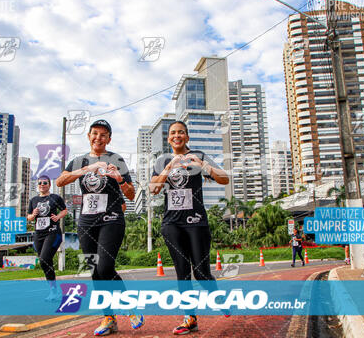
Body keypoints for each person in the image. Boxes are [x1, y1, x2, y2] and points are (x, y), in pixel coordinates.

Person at [56, 119, 144, 336]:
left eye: (103, 134)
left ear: (109, 139)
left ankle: (129, 307)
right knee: (95, 270)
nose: (98, 138)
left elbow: (132, 194)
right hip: (86, 221)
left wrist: (119, 179)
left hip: (111, 219)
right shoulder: (80, 160)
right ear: (89, 136)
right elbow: (60, 181)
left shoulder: (116, 159)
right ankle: (109, 318)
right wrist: (89, 167)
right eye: (95, 133)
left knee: (105, 267)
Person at [150, 120, 230, 335]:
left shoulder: (199, 156)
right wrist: (169, 166)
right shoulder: (161, 160)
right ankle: (189, 318)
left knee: (201, 272)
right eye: (173, 133)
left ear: (187, 136)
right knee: (182, 272)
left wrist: (202, 165)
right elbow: (154, 189)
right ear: (168, 138)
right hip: (171, 223)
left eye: (181, 132)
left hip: (196, 221)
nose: (177, 136)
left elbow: (224, 179)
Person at [27, 175, 68, 301]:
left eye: (45, 182)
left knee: (45, 258)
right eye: (40, 183)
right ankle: (53, 290)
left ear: (49, 185)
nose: (42, 185)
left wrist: (58, 217)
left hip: (52, 232)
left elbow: (65, 210)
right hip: (39, 234)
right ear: (37, 185)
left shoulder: (55, 198)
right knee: (44, 261)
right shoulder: (33, 200)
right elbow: (28, 217)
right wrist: (33, 215)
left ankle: (54, 291)